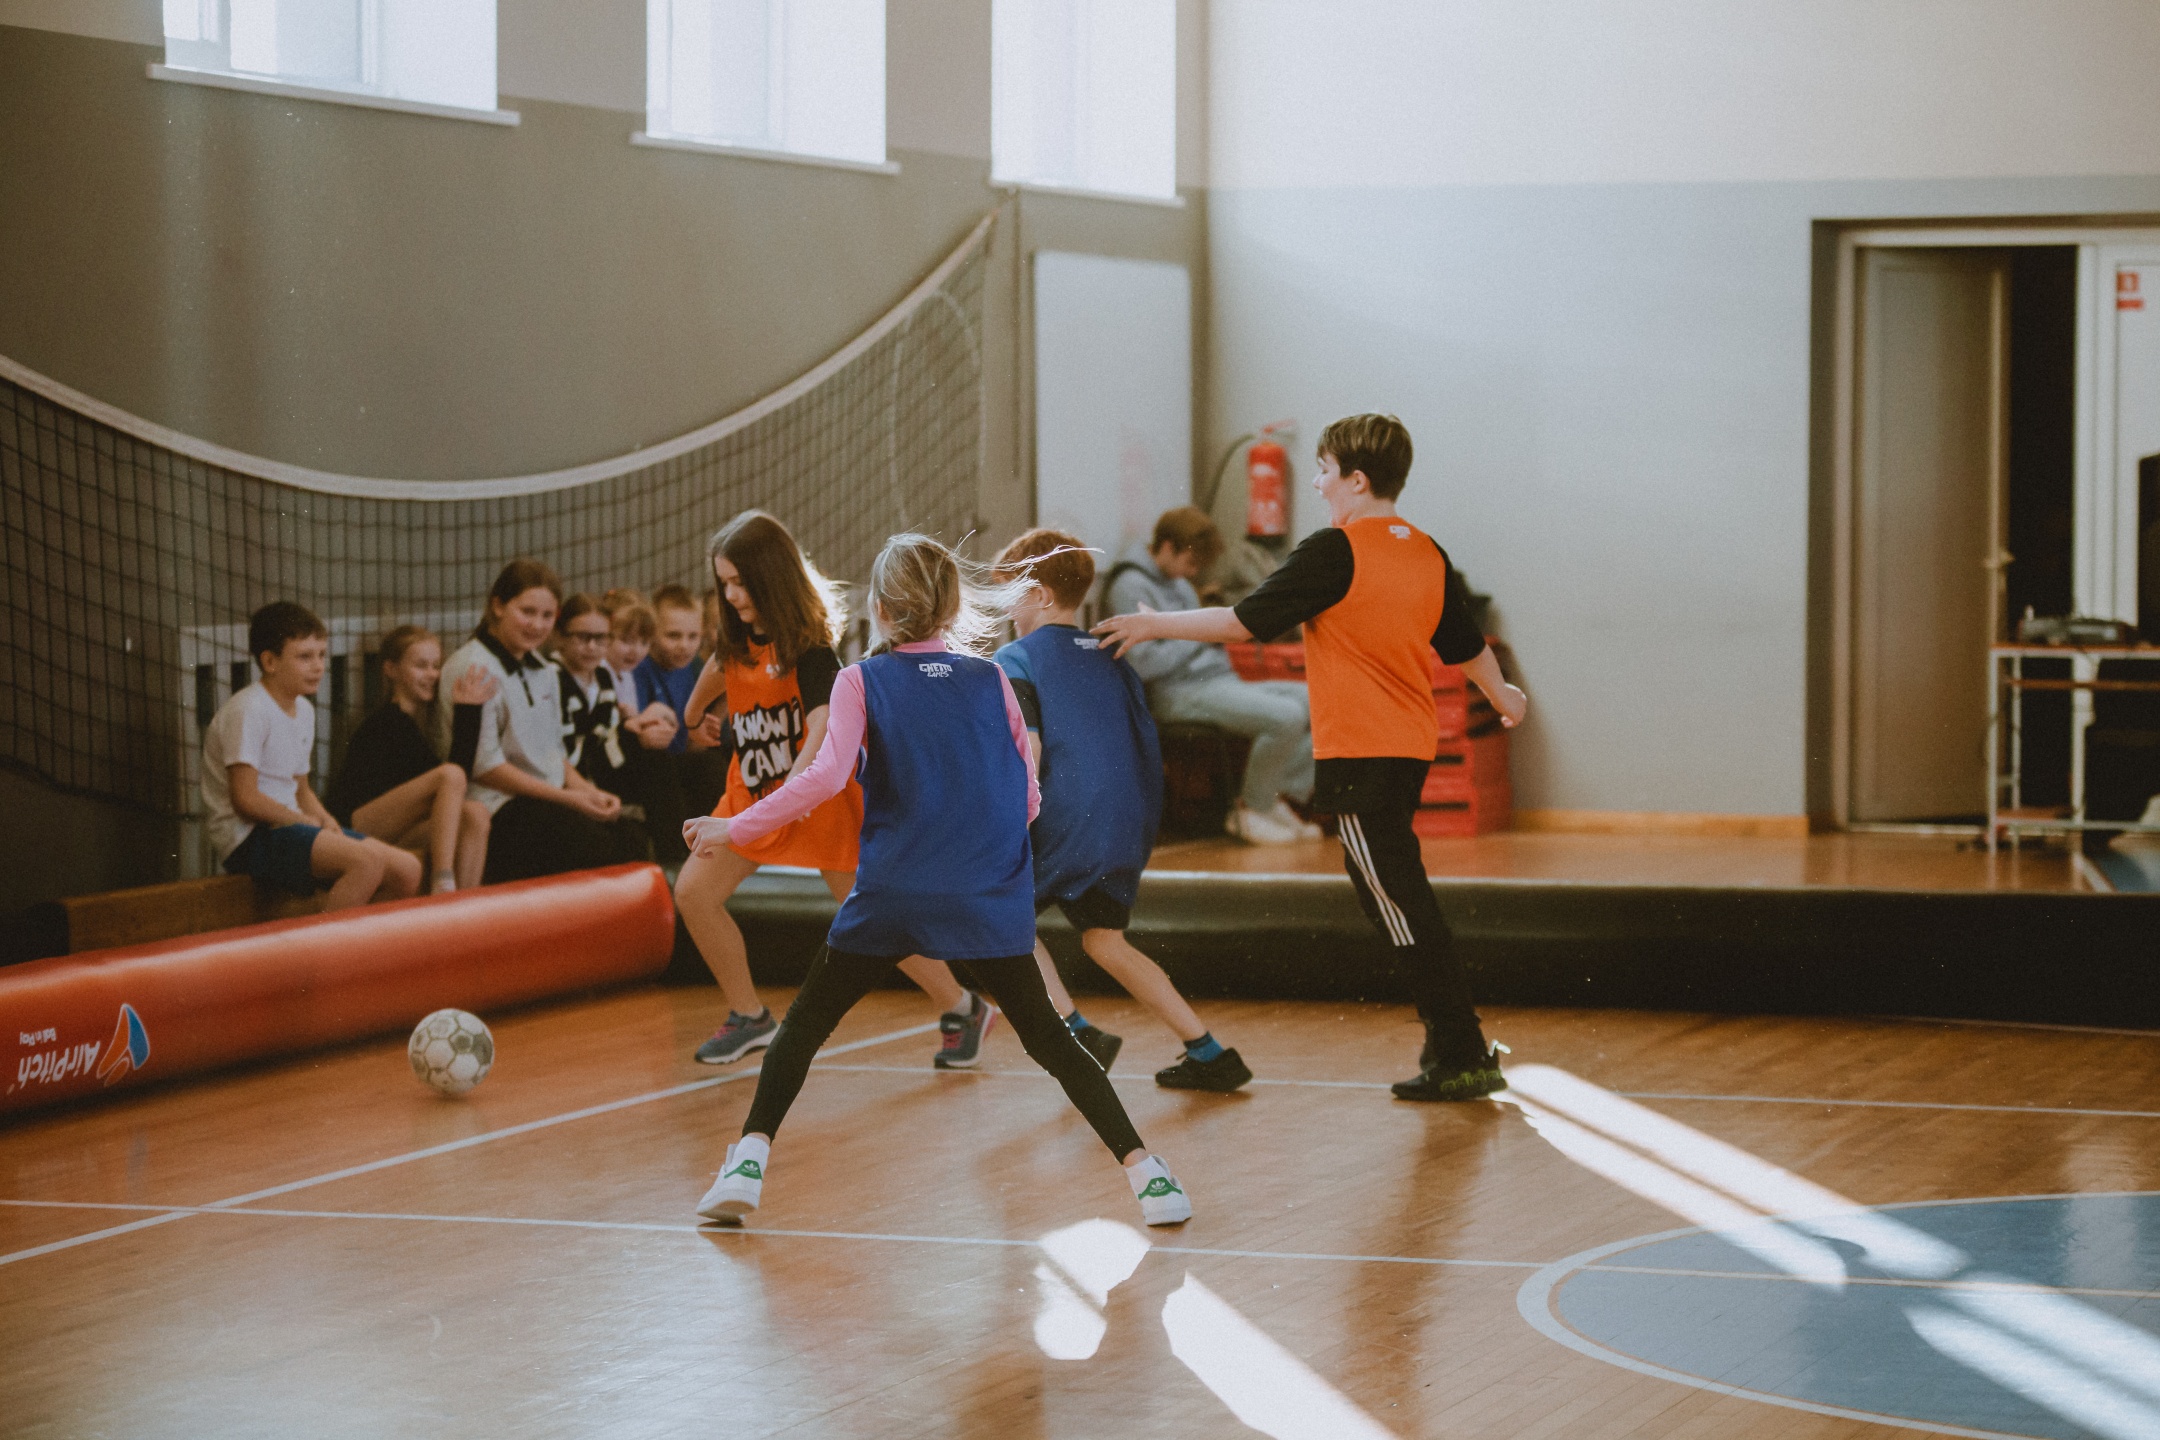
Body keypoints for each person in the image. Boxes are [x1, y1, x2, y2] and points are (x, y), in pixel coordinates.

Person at [691, 532, 1191, 1229]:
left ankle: (746, 1165)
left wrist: (735, 827)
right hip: (985, 897)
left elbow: (824, 778)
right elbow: (1028, 794)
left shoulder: (859, 681)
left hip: (892, 895)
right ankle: (1148, 1177)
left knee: (802, 1028)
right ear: (954, 607)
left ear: (879, 609)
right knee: (1050, 1041)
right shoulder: (992, 679)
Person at [1097, 414, 1528, 1102]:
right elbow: (1465, 643)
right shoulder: (1424, 550)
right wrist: (1502, 693)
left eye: (1325, 472)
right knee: (1398, 893)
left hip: (1362, 749)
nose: (1320, 485)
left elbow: (1243, 621)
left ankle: (1463, 1051)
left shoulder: (1335, 551)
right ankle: (1453, 1043)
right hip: (1408, 745)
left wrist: (1153, 623)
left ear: (1356, 480)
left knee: (1396, 901)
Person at [671, 511, 988, 1066]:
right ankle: (748, 1016)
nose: (732, 595)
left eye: (741, 582)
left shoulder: (812, 648)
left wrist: (789, 796)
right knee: (693, 893)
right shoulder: (737, 633)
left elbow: (820, 728)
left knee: (870, 916)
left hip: (817, 801)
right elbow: (722, 664)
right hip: (752, 793)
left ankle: (962, 1005)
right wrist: (694, 713)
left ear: (772, 579)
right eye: (724, 583)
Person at [993, 529, 1252, 1092]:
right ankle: (1209, 1052)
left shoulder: (1014, 659)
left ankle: (1076, 1032)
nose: (1005, 609)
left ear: (1039, 595)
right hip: (1125, 821)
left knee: (998, 917)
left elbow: (1029, 752)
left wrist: (1000, 825)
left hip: (1064, 818)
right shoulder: (1112, 652)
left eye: (1010, 594)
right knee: (1104, 940)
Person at [1106, 506, 1318, 845]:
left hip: (1218, 679)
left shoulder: (1180, 584)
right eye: (1190, 563)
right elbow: (1142, 663)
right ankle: (1251, 810)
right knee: (1287, 716)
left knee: (1319, 702)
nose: (1193, 574)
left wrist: (1195, 636)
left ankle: (1271, 798)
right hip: (1178, 692)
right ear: (1167, 547)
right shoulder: (1130, 585)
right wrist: (1195, 638)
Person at [203, 602, 421, 910]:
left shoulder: (304, 710)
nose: (318, 666)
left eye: (321, 655)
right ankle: (328, 939)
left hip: (288, 826)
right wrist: (301, 821)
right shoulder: (249, 710)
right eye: (305, 657)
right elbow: (245, 799)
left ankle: (342, 926)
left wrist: (327, 821)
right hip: (249, 837)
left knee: (407, 870)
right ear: (270, 661)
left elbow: (301, 790)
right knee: (366, 862)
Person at [440, 560, 647, 885]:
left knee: (631, 837)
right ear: (498, 606)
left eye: (547, 616)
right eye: (527, 612)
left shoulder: (544, 671)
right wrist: (568, 799)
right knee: (593, 846)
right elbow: (484, 767)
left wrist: (588, 792)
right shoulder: (473, 668)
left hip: (547, 798)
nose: (537, 625)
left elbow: (553, 753)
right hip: (498, 806)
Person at [325, 624, 495, 894]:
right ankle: (443, 883)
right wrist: (467, 714)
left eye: (435, 666)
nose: (432, 674)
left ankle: (464, 904)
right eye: (420, 666)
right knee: (449, 776)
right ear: (391, 669)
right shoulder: (388, 723)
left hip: (391, 830)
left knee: (475, 814)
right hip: (352, 829)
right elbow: (454, 776)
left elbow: (455, 785)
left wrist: (468, 712)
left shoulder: (414, 724)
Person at [637, 582, 729, 815]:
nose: (684, 646)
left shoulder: (686, 669)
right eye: (673, 636)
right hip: (652, 769)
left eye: (692, 636)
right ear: (652, 632)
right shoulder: (641, 669)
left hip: (679, 763)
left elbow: (690, 743)